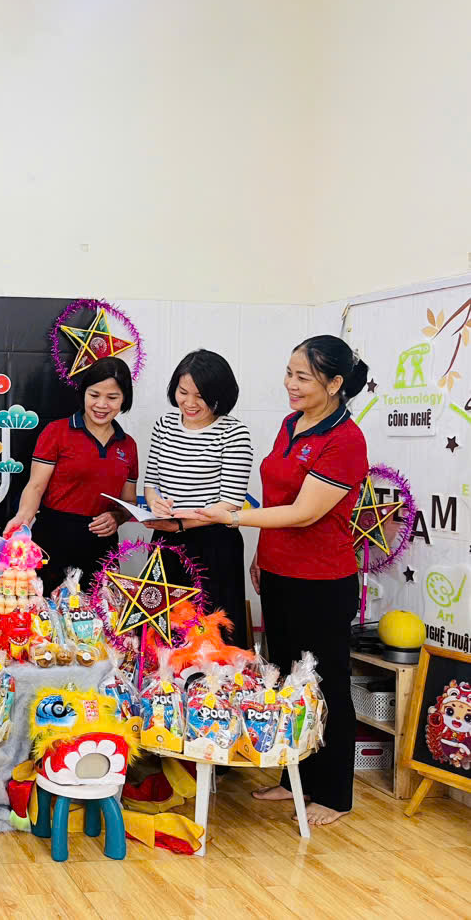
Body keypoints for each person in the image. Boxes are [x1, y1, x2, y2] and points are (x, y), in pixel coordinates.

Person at [181, 335, 368, 827]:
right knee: (284, 678)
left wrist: (232, 517)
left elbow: (304, 512)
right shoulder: (292, 423)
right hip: (280, 571)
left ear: (335, 383)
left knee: (325, 683)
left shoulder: (345, 440)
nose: (291, 384)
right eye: (289, 373)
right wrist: (262, 555)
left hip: (322, 580)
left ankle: (334, 793)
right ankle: (294, 777)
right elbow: (277, 500)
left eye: (303, 377)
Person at [142, 350, 254, 645]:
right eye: (183, 392)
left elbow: (230, 502)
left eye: (201, 396)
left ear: (220, 394)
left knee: (213, 636)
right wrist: (155, 503)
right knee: (164, 633)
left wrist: (182, 523)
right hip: (167, 540)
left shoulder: (234, 433)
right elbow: (151, 484)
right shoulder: (164, 425)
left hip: (213, 544)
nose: (190, 403)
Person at [3, 356, 138, 592]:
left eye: (112, 397)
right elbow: (35, 486)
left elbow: (129, 502)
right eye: (94, 395)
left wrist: (117, 517)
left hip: (101, 546)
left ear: (124, 399)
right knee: (43, 609)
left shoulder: (128, 445)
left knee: (100, 611)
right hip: (53, 539)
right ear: (83, 393)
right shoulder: (56, 432)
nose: (102, 404)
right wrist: (23, 517)